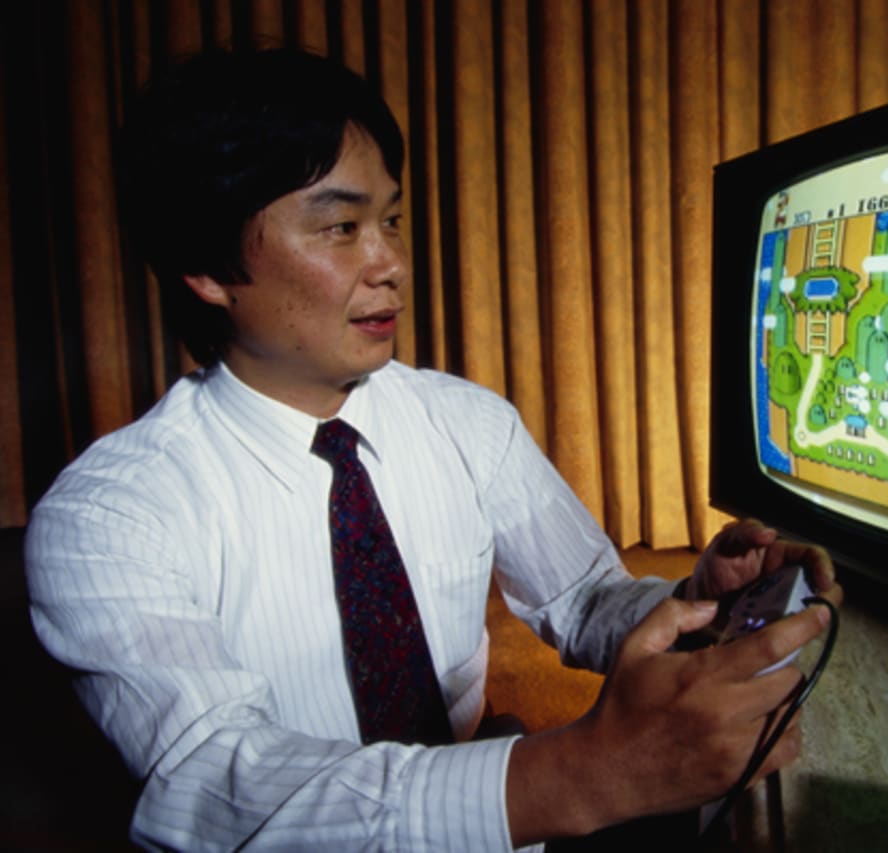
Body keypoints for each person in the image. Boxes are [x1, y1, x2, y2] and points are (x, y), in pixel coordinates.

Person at [24, 48, 841, 850]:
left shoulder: (466, 421)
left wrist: (698, 601)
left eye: (390, 219)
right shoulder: (109, 516)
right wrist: (581, 774)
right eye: (340, 227)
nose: (390, 263)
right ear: (205, 264)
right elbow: (214, 784)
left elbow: (585, 599)